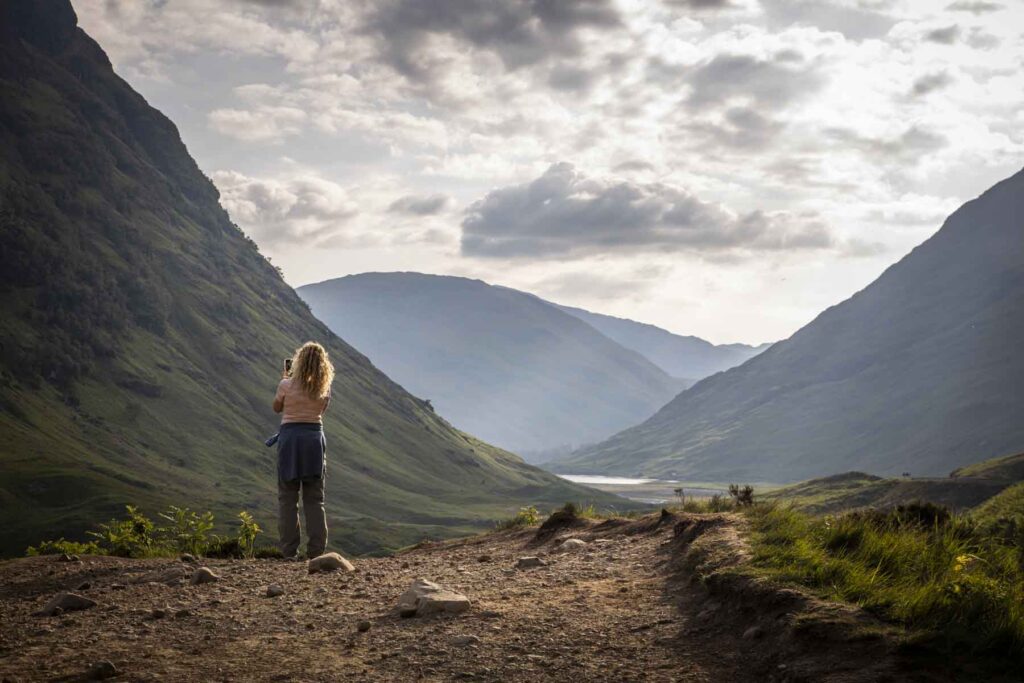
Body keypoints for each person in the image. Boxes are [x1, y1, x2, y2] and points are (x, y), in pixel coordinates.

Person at [272, 341, 334, 559]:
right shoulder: (323, 388)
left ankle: (289, 552)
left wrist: (284, 380)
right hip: (314, 440)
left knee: (288, 498)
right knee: (315, 499)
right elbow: (321, 411)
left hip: (290, 441)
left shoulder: (286, 385)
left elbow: (277, 408)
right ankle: (316, 552)